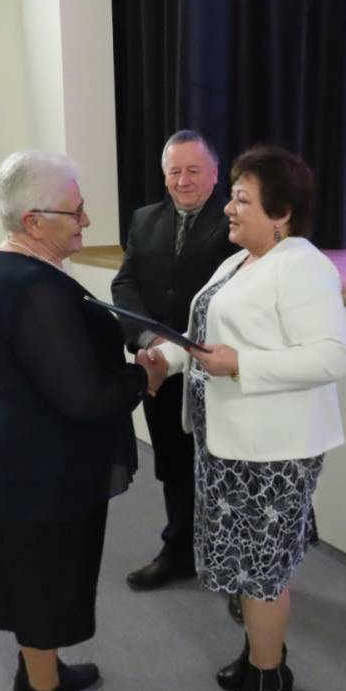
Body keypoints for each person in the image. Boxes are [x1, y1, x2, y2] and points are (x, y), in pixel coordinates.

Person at [141, 145, 346, 691]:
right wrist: (168, 357)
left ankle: (268, 683)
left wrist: (243, 365)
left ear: (281, 212)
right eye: (232, 196)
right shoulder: (241, 261)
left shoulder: (304, 265)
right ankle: (265, 655)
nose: (228, 208)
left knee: (261, 573)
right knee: (243, 565)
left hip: (273, 454)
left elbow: (332, 357)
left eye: (241, 199)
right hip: (227, 445)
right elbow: (206, 339)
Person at [0, 150, 164, 691]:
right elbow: (82, 396)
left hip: (39, 457)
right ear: (34, 222)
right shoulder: (31, 286)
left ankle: (39, 671)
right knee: (43, 581)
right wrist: (144, 377)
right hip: (41, 467)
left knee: (42, 577)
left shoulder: (28, 269)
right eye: (75, 211)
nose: (87, 221)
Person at [111, 130, 236, 592]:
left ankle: (235, 571)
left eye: (193, 171)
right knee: (174, 466)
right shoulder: (144, 219)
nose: (183, 180)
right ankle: (178, 552)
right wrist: (151, 340)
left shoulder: (236, 221)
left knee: (226, 471)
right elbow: (125, 285)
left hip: (218, 370)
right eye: (174, 171)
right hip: (159, 368)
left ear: (215, 174)